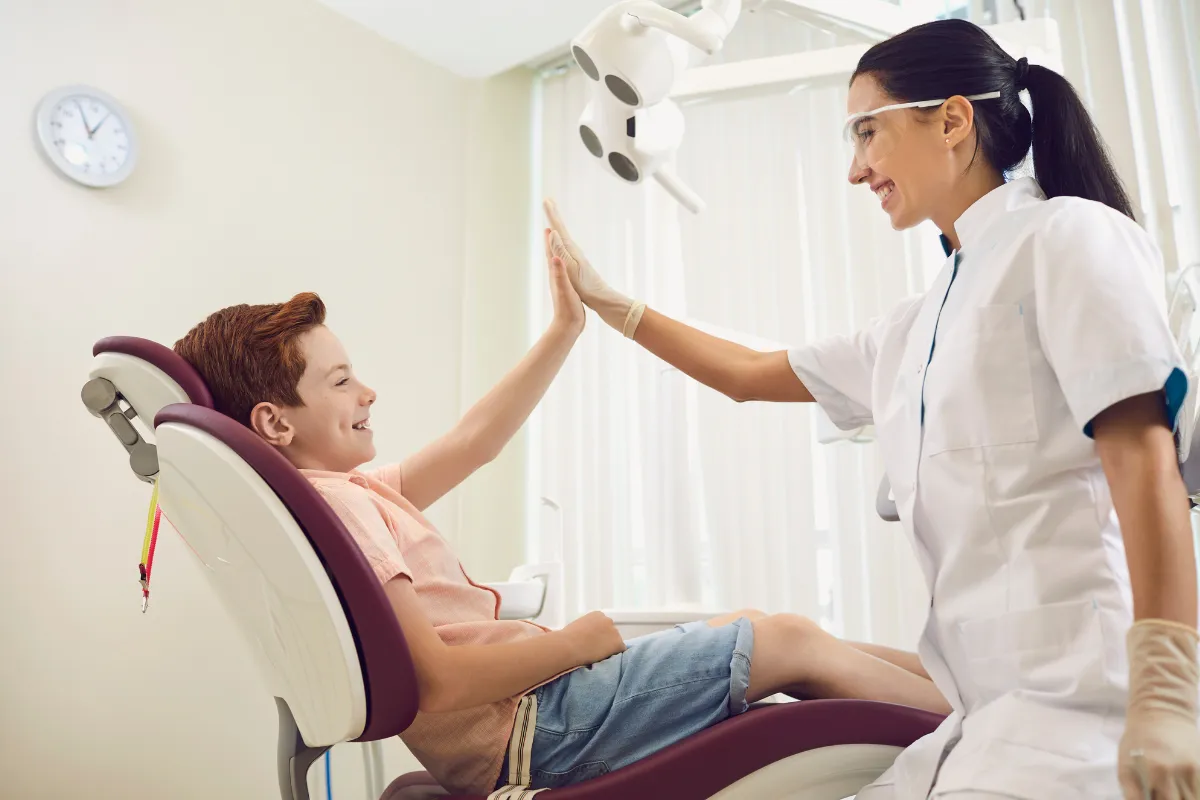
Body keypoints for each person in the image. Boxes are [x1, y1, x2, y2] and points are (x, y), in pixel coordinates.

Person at [544, 17, 1200, 800]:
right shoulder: (916, 326)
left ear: (953, 120)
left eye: (868, 132)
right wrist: (610, 303)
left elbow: (1142, 458)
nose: (856, 170)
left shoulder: (1071, 236)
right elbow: (751, 372)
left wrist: (1168, 694)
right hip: (983, 722)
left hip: (1089, 717)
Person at [172, 233, 949, 795]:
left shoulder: (351, 494)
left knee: (774, 631)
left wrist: (565, 330)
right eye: (341, 382)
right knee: (784, 639)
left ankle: (972, 689)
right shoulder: (341, 508)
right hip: (533, 732)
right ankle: (984, 728)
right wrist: (582, 639)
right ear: (276, 422)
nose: (366, 392)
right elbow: (437, 682)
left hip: (535, 721)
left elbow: (477, 442)